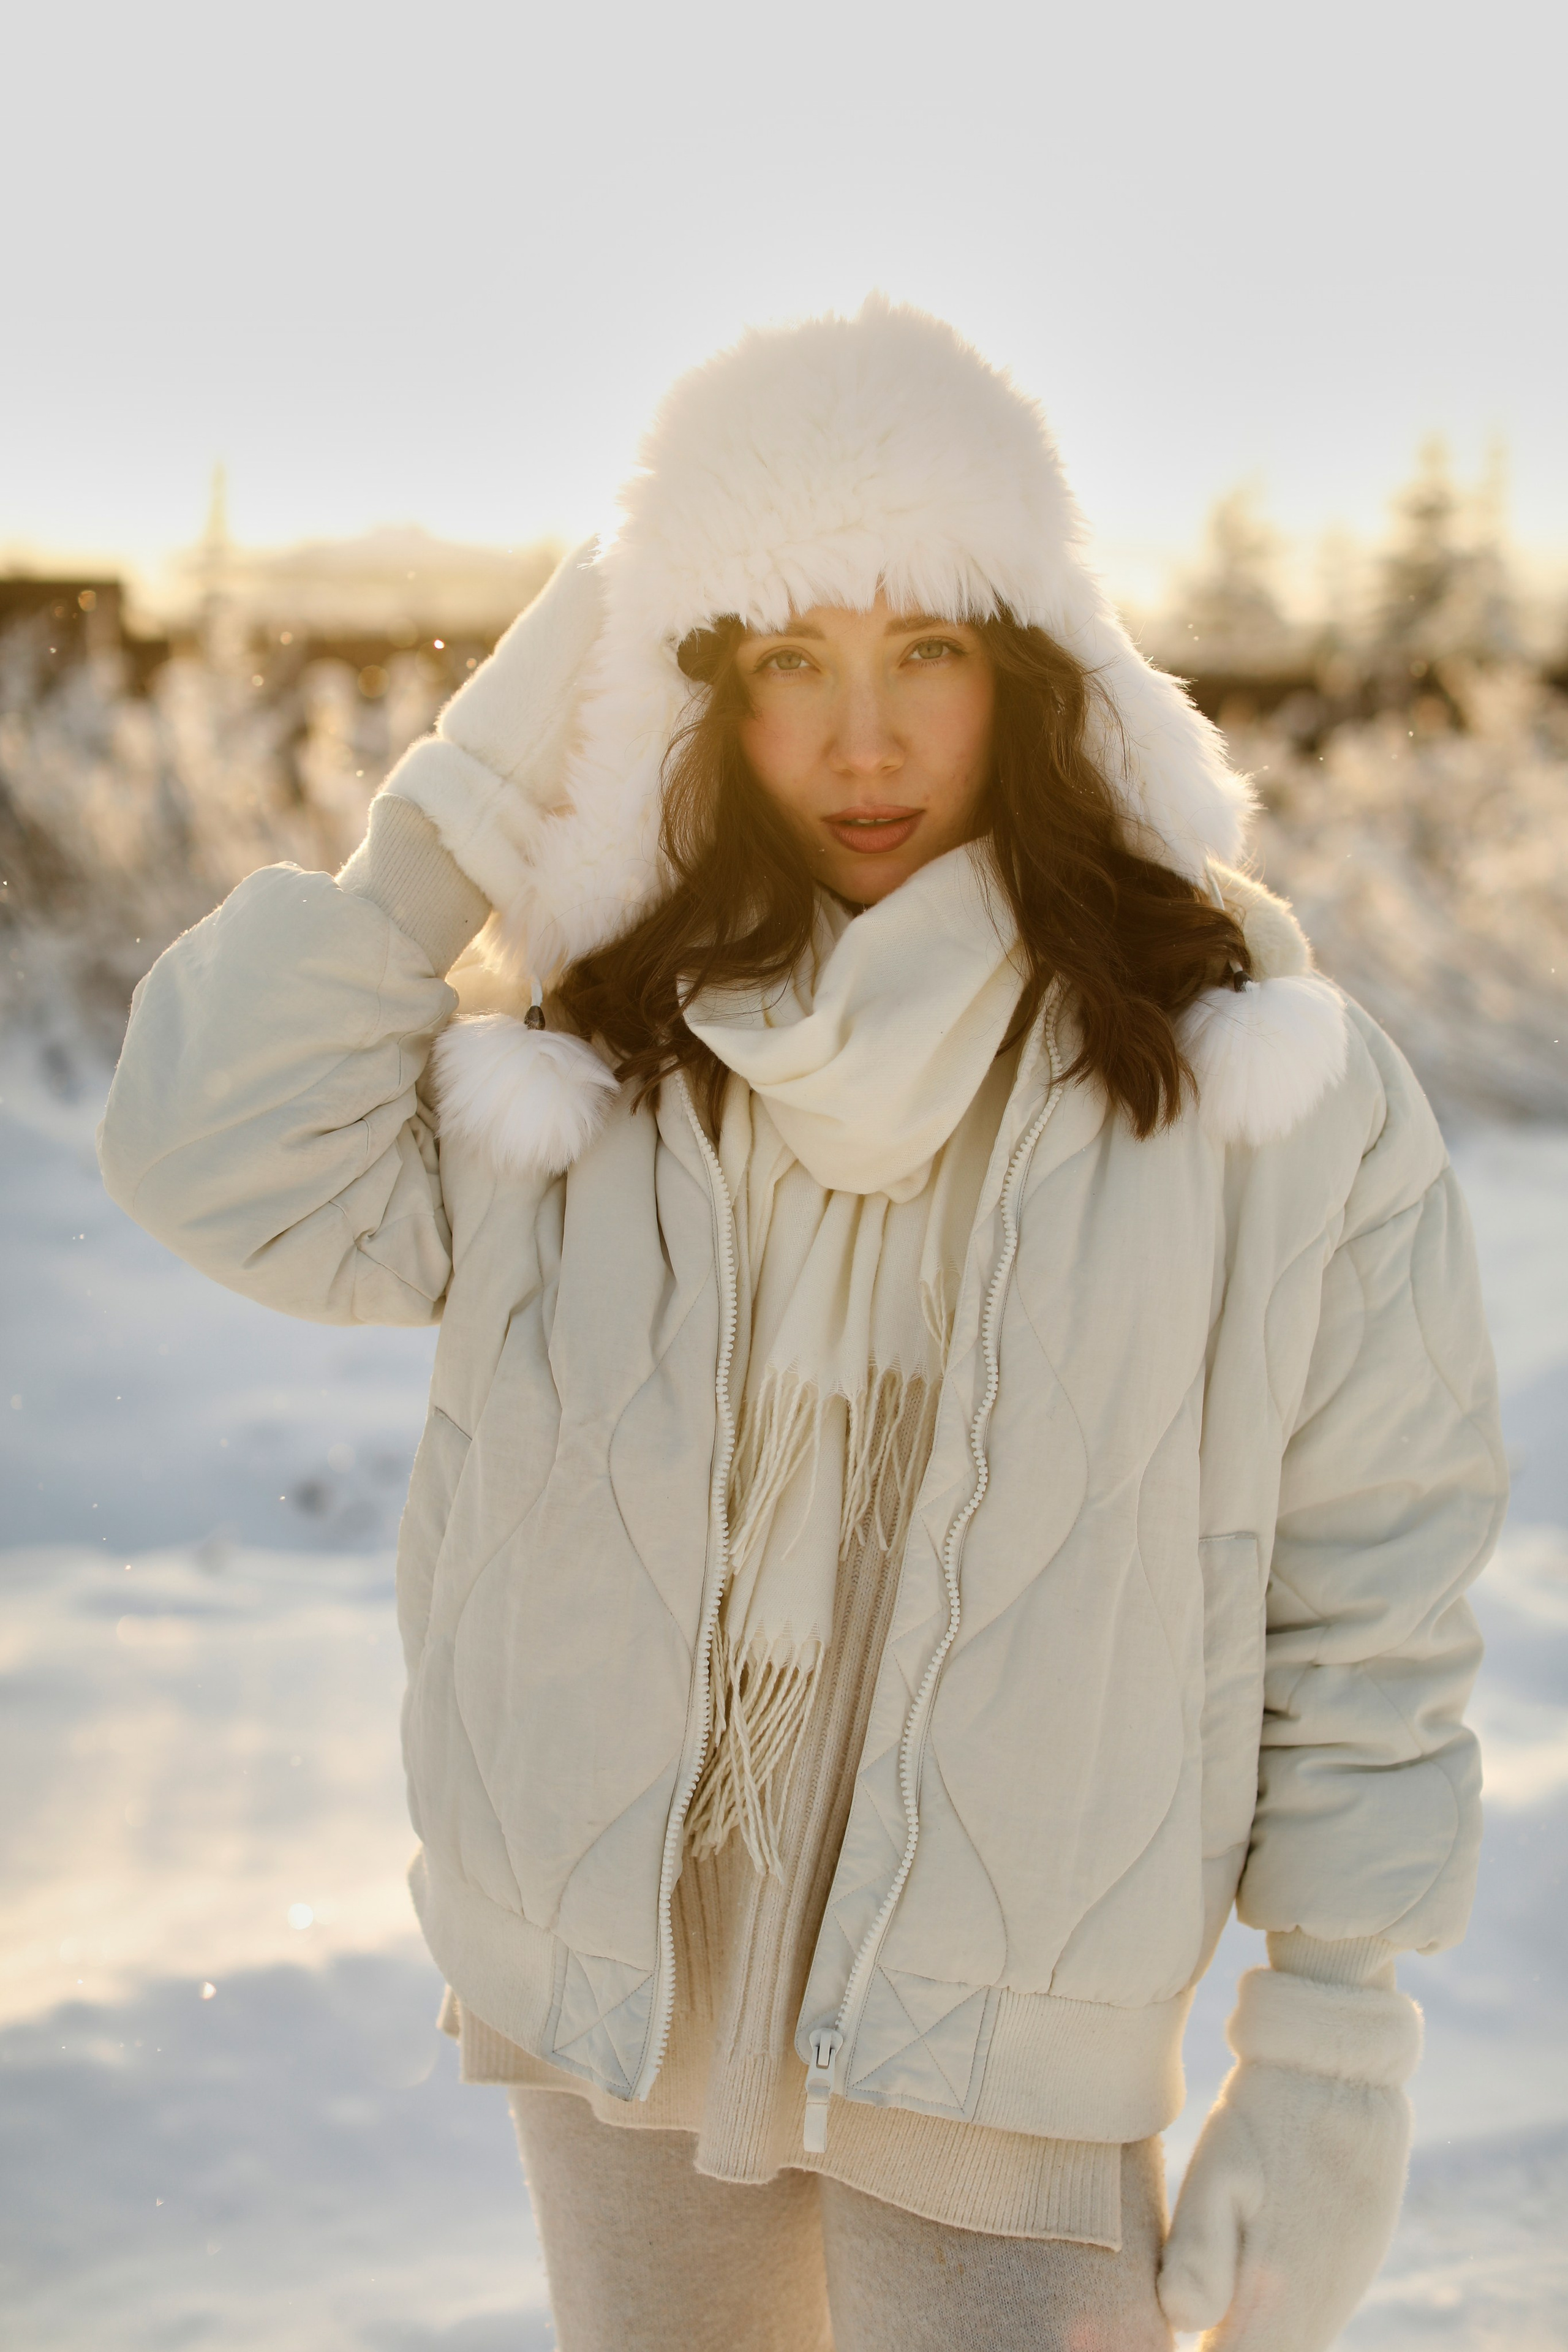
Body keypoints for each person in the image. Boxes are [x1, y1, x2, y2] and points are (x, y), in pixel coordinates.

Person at [99, 299, 1506, 2352]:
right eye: (786, 662)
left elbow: (1373, 1583)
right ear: (697, 700)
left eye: (925, 649)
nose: (863, 742)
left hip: (1008, 2039)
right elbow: (208, 1157)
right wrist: (463, 818)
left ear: (1028, 671)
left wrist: (1333, 2043)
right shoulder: (590, 1070)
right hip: (618, 1990)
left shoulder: (1250, 1082)